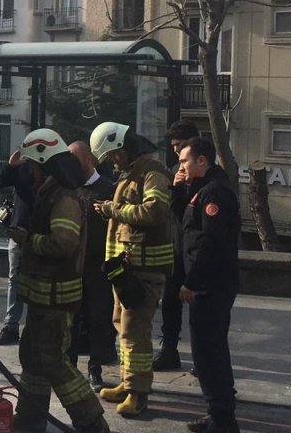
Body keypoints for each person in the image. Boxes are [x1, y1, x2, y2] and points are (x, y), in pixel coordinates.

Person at [7, 129, 111, 433]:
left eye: (33, 166)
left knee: (55, 361)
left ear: (45, 163)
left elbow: (64, 243)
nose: (31, 172)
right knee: (32, 357)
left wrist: (29, 240)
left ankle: (91, 422)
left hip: (56, 299)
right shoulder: (49, 192)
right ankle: (30, 415)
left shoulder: (64, 198)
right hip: (42, 296)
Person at [89, 121, 174, 418]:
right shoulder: (131, 174)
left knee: (135, 333)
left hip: (144, 271)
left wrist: (113, 210)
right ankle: (128, 384)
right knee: (123, 329)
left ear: (126, 148)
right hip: (126, 270)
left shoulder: (153, 173)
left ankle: (138, 394)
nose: (113, 161)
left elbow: (155, 211)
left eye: (114, 155)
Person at [174, 136, 241, 433]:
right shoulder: (202, 189)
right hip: (209, 284)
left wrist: (191, 282)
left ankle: (223, 420)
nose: (181, 166)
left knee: (208, 353)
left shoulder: (215, 193)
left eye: (185, 161)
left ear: (202, 161)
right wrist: (179, 189)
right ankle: (219, 415)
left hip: (210, 287)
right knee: (210, 352)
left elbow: (209, 243)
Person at [68, 140, 117, 392]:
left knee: (99, 318)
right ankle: (69, 367)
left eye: (74, 160)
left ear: (89, 160)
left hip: (99, 267)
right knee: (71, 318)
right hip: (74, 267)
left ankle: (95, 368)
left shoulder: (108, 188)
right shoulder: (69, 189)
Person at [157, 119, 201, 373]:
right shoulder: (175, 170)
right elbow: (172, 211)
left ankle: (200, 356)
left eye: (181, 145)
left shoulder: (206, 171)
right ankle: (169, 349)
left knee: (199, 309)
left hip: (195, 250)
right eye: (174, 146)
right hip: (176, 249)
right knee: (170, 303)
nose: (176, 151)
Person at [0, 143, 38, 346]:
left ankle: (36, 327)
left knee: (38, 281)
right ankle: (11, 326)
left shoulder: (53, 170)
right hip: (18, 231)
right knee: (15, 279)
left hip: (40, 234)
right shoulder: (23, 167)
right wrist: (11, 165)